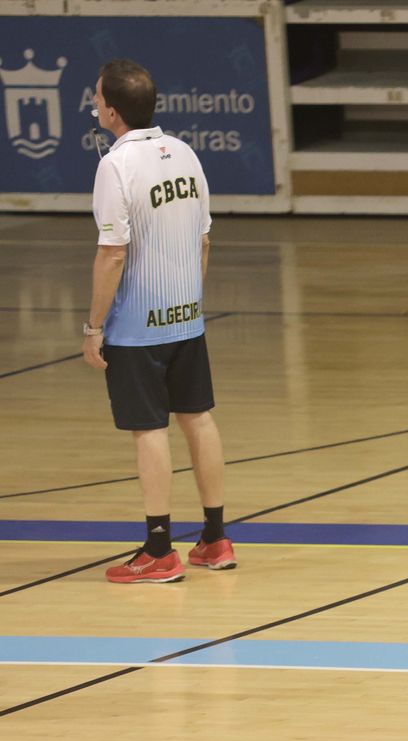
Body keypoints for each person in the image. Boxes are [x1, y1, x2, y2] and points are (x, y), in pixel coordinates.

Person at [80, 59, 234, 584]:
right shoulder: (186, 154)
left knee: (149, 430)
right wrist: (190, 301)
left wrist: (93, 326)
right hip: (187, 318)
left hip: (137, 327)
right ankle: (215, 539)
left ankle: (159, 549)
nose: (94, 104)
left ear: (113, 111)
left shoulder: (115, 167)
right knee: (198, 419)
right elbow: (204, 239)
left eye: (97, 97)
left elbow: (112, 254)